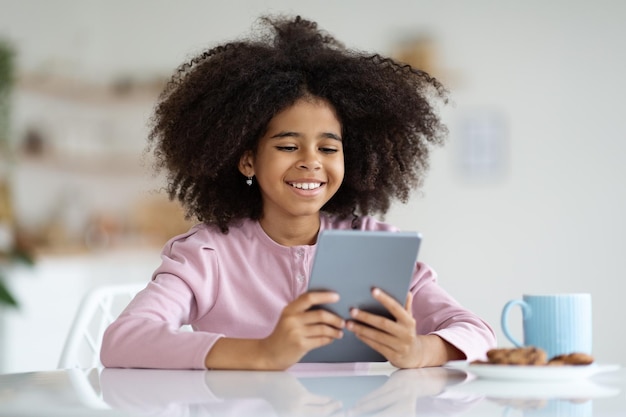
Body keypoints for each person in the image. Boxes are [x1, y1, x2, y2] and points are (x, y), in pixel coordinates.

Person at [101, 15, 496, 370]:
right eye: (288, 146)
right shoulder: (207, 255)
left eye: (328, 148)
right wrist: (263, 353)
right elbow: (122, 341)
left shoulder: (374, 244)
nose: (311, 162)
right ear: (247, 161)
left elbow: (477, 332)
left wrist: (419, 352)